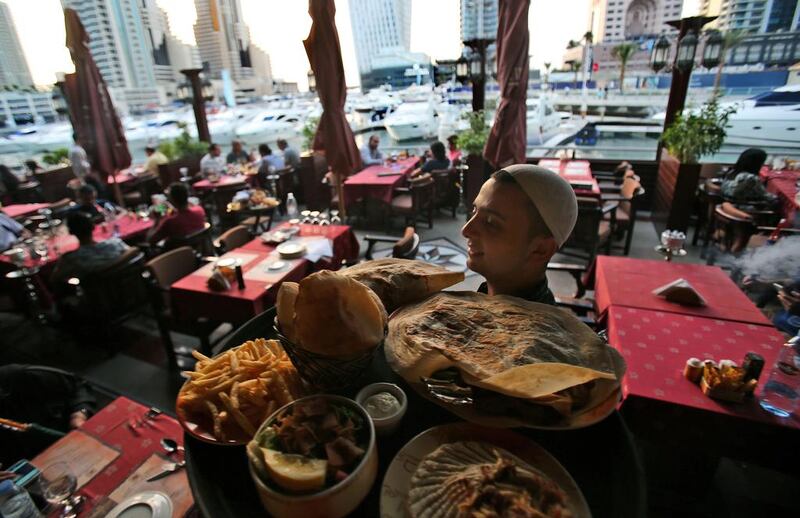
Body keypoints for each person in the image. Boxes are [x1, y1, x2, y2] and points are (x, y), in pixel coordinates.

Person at [461, 164, 578, 303]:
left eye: (490, 221)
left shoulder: (532, 324)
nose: (466, 230)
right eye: (474, 211)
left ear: (541, 249)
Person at [0, 364, 97, 464]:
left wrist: (79, 414)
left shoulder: (16, 376)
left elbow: (78, 385)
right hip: (39, 466)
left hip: (77, 436)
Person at [50, 212, 129, 286]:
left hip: (99, 297)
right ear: (93, 226)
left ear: (71, 232)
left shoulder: (71, 259)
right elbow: (133, 254)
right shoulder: (115, 243)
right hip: (129, 289)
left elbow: (55, 279)